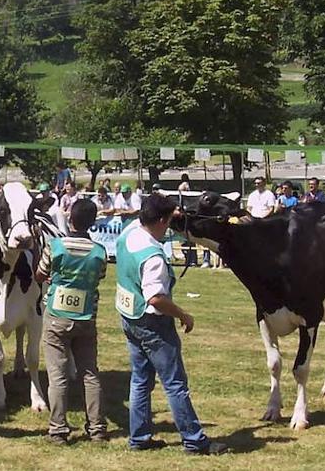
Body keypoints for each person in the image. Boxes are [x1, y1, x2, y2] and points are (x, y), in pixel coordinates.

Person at [115, 193, 227, 455]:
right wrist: (183, 314)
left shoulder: (130, 232)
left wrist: (170, 214)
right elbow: (155, 298)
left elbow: (152, 221)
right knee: (175, 383)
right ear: (163, 220)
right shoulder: (153, 257)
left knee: (140, 380)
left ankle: (139, 436)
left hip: (129, 315)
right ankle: (194, 439)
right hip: (153, 322)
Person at [35, 198, 107, 444]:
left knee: (58, 375)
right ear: (93, 222)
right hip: (86, 317)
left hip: (57, 316)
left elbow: (40, 273)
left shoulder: (55, 246)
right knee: (90, 373)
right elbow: (101, 276)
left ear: (70, 219)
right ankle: (97, 429)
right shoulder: (100, 252)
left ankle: (58, 429)